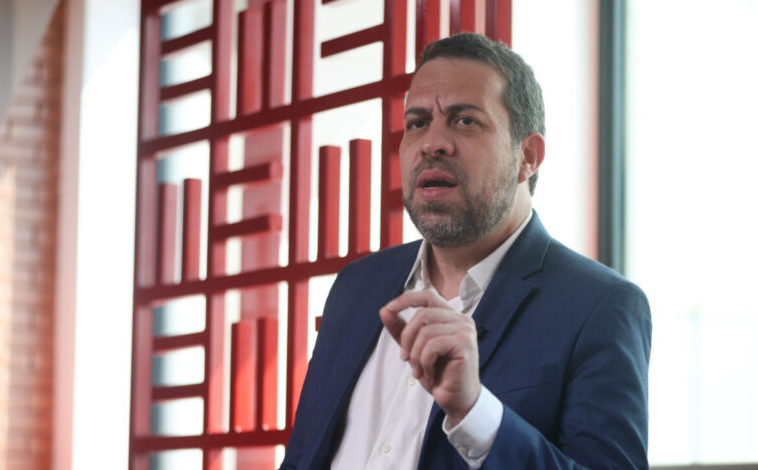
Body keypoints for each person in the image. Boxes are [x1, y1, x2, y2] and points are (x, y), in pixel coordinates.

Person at [279, 32, 651, 469]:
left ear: (528, 156)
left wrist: (475, 411)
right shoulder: (356, 286)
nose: (432, 143)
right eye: (417, 123)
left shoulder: (599, 306)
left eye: (465, 121)